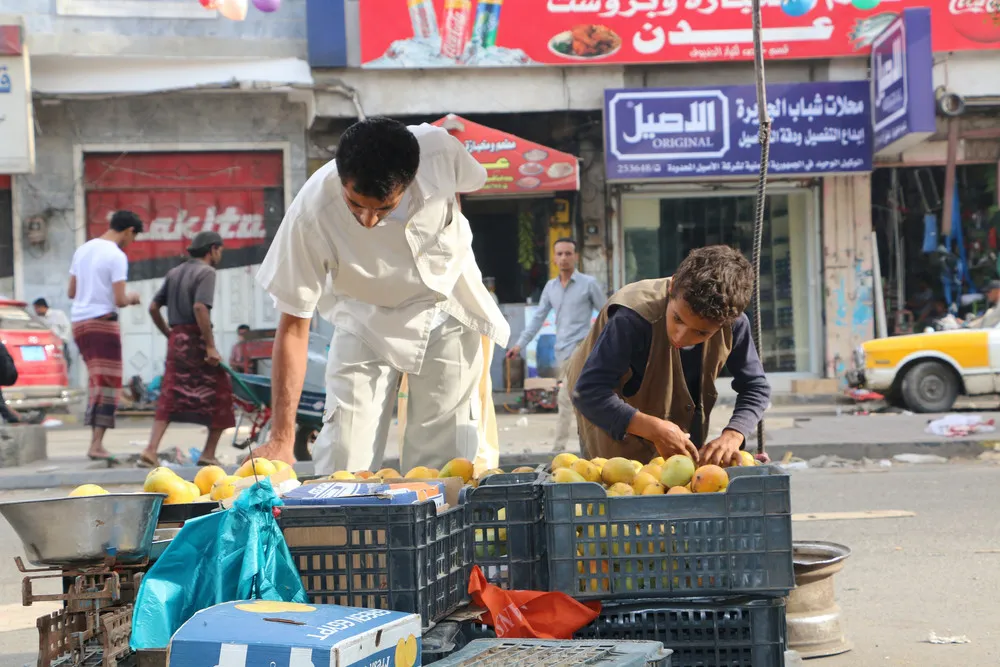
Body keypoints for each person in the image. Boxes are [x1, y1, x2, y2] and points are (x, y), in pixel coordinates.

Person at [254, 116, 509, 474]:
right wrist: (282, 437)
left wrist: (445, 231)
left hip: (447, 306)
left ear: (411, 178)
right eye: (355, 204)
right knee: (343, 458)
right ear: (341, 177)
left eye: (383, 208)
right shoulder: (310, 214)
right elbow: (294, 325)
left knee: (444, 463)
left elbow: (465, 184)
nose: (368, 220)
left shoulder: (438, 150)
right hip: (364, 319)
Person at [566, 245, 771, 466]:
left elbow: (756, 387)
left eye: (701, 333)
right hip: (607, 409)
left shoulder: (734, 324)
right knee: (617, 477)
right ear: (672, 287)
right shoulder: (630, 317)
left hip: (681, 413)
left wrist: (734, 434)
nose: (681, 336)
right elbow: (588, 392)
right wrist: (652, 429)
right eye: (677, 319)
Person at [138, 231, 235, 468]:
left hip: (177, 340)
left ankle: (151, 450)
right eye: (220, 250)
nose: (220, 255)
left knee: (170, 394)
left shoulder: (174, 272)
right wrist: (210, 346)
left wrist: (170, 334)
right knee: (221, 394)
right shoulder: (207, 272)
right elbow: (200, 307)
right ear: (213, 249)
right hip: (197, 340)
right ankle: (208, 453)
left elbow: (153, 307)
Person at [506, 238, 606, 451]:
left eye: (568, 253)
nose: (564, 258)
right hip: (562, 351)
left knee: (567, 398)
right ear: (553, 258)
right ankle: (590, 446)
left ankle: (560, 449)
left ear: (576, 256)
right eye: (559, 254)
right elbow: (538, 318)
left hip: (582, 349)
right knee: (579, 399)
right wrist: (519, 345)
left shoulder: (588, 284)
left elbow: (607, 312)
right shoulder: (551, 287)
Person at [69, 210, 143, 461]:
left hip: (79, 324)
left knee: (97, 381)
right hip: (102, 324)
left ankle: (96, 442)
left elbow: (71, 292)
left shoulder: (83, 250)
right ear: (129, 231)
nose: (131, 242)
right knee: (108, 384)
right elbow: (120, 299)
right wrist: (133, 297)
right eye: (133, 237)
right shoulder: (116, 256)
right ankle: (96, 444)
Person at [32, 298, 73, 373]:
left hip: (60, 344)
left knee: (64, 363)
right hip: (46, 345)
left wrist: (62, 340)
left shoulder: (58, 314)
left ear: (42, 307)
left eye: (36, 308)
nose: (36, 311)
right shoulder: (38, 318)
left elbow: (67, 327)